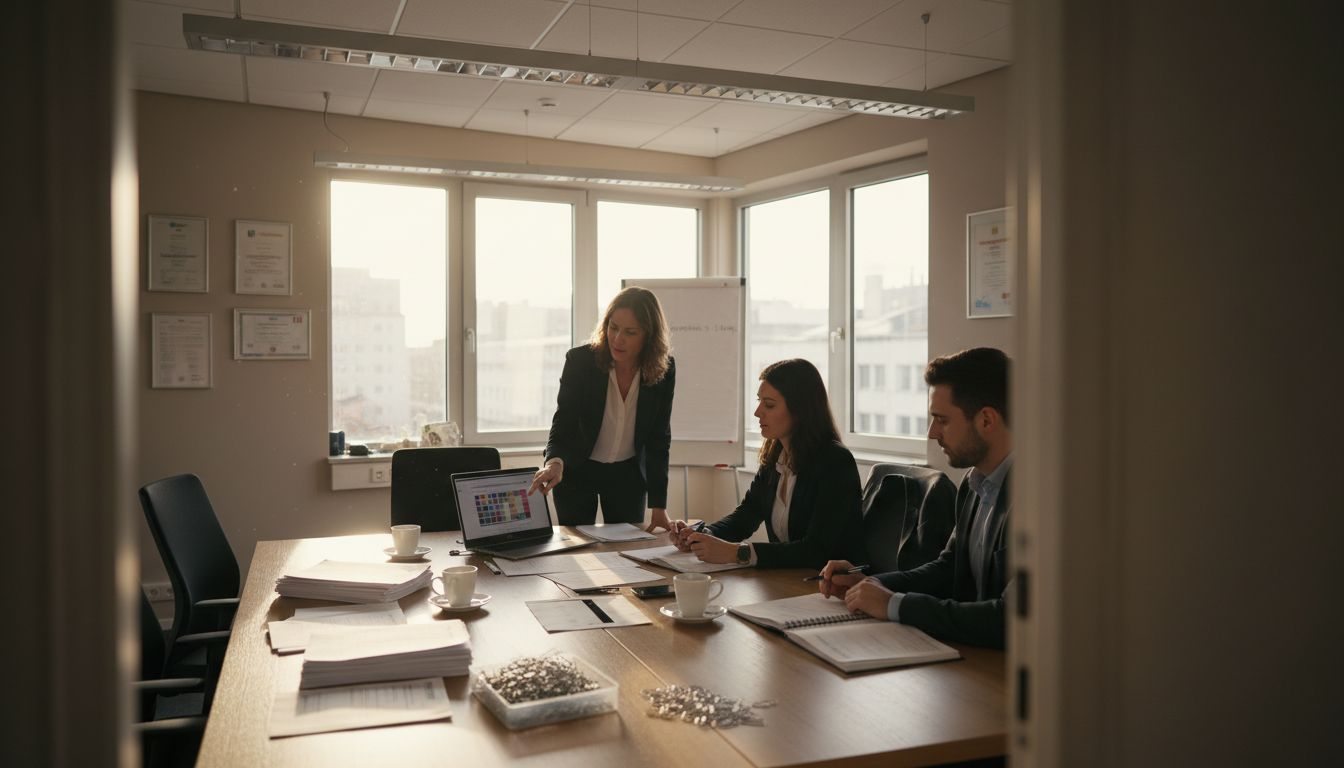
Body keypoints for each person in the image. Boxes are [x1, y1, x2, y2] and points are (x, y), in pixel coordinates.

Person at [819, 347, 1012, 648]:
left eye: (942, 420)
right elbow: (948, 568)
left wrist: (895, 605)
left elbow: (1009, 620)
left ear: (986, 420)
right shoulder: (974, 484)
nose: (932, 433)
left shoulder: (1042, 503)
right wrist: (871, 583)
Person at [670, 358, 863, 569]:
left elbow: (816, 550)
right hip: (787, 581)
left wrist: (739, 553)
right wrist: (701, 536)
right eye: (759, 401)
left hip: (827, 588)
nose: (757, 412)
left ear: (800, 410)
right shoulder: (776, 458)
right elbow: (746, 515)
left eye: (769, 404)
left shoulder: (835, 463)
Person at [529, 287, 676, 531]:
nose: (617, 338)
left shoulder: (664, 369)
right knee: (576, 552)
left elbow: (659, 438)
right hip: (577, 470)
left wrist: (659, 506)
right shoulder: (580, 361)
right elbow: (563, 420)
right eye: (613, 327)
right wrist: (554, 462)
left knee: (627, 556)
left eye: (630, 332)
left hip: (627, 476)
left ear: (648, 337)